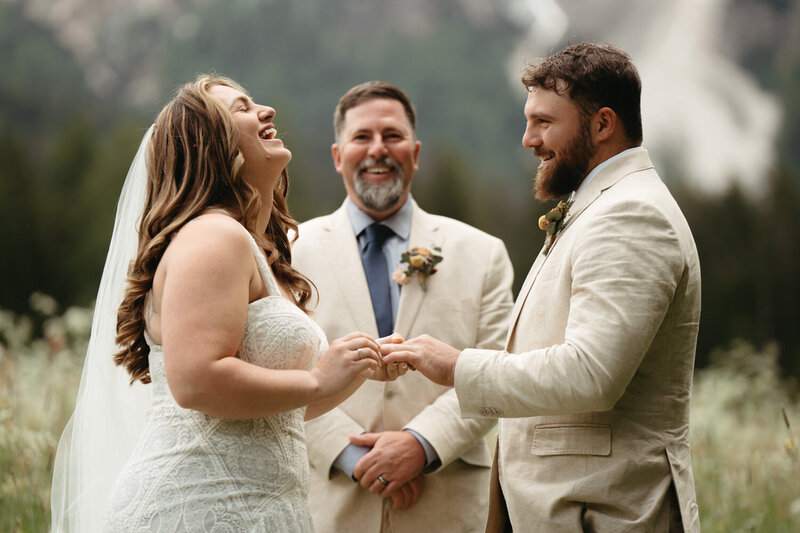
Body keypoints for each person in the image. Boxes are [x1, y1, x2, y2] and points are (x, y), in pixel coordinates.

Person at [382, 43, 702, 532]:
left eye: (544, 122)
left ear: (602, 124)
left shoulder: (631, 215)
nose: (528, 139)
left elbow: (592, 373)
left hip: (605, 513)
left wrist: (457, 367)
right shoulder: (599, 206)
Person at [51, 74, 392, 533]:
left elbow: (265, 410)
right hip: (195, 504)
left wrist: (350, 370)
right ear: (209, 143)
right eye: (242, 108)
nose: (266, 111)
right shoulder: (213, 235)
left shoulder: (254, 249)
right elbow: (196, 382)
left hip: (256, 505)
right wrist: (315, 381)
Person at [291, 81, 514, 533]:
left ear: (414, 152)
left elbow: (497, 371)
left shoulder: (483, 253)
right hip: (327, 504)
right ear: (338, 155)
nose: (378, 150)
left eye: (392, 136)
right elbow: (278, 373)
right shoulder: (289, 252)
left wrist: (420, 444)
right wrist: (353, 457)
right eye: (362, 137)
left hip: (447, 505)